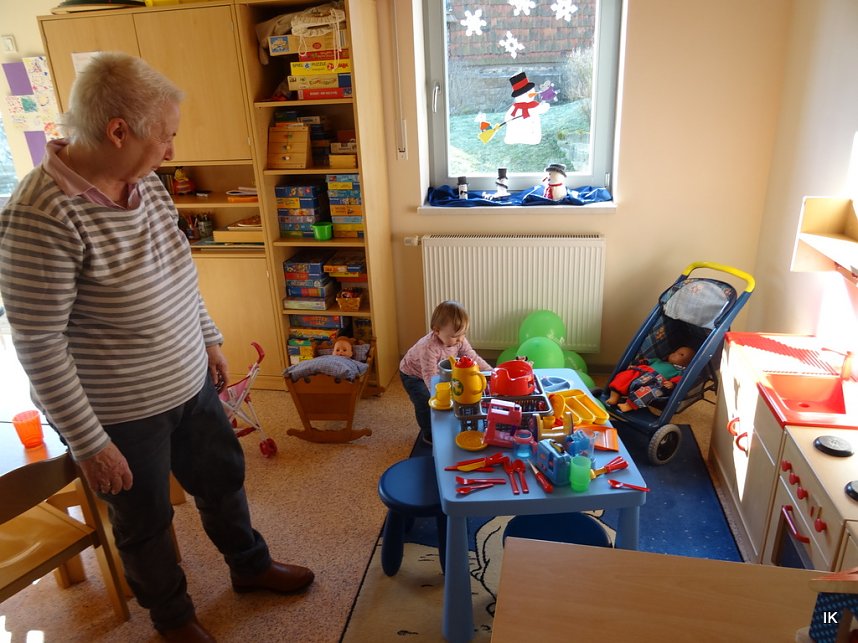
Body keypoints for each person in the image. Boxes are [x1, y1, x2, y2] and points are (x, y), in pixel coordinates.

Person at [0, 52, 313, 642]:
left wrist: (209, 339)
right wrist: (91, 443)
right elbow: (39, 345)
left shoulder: (146, 185)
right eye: (164, 136)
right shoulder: (40, 216)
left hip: (189, 382)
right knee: (145, 521)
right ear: (119, 131)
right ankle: (173, 619)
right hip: (119, 412)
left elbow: (178, 271)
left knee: (222, 480)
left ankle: (249, 567)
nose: (170, 150)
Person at [399, 300, 491, 444]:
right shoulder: (428, 347)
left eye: (463, 334)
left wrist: (491, 372)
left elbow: (472, 357)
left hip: (436, 372)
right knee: (425, 403)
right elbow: (430, 376)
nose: (460, 339)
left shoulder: (459, 339)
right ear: (437, 331)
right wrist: (440, 399)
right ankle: (429, 435)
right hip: (412, 375)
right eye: (455, 336)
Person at [605, 346, 696, 412]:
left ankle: (629, 405)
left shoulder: (678, 372)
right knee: (623, 377)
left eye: (681, 354)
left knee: (651, 392)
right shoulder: (657, 360)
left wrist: (672, 384)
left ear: (687, 364)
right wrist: (636, 364)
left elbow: (678, 381)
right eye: (675, 351)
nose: (675, 354)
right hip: (639, 373)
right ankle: (614, 397)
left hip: (655, 381)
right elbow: (645, 361)